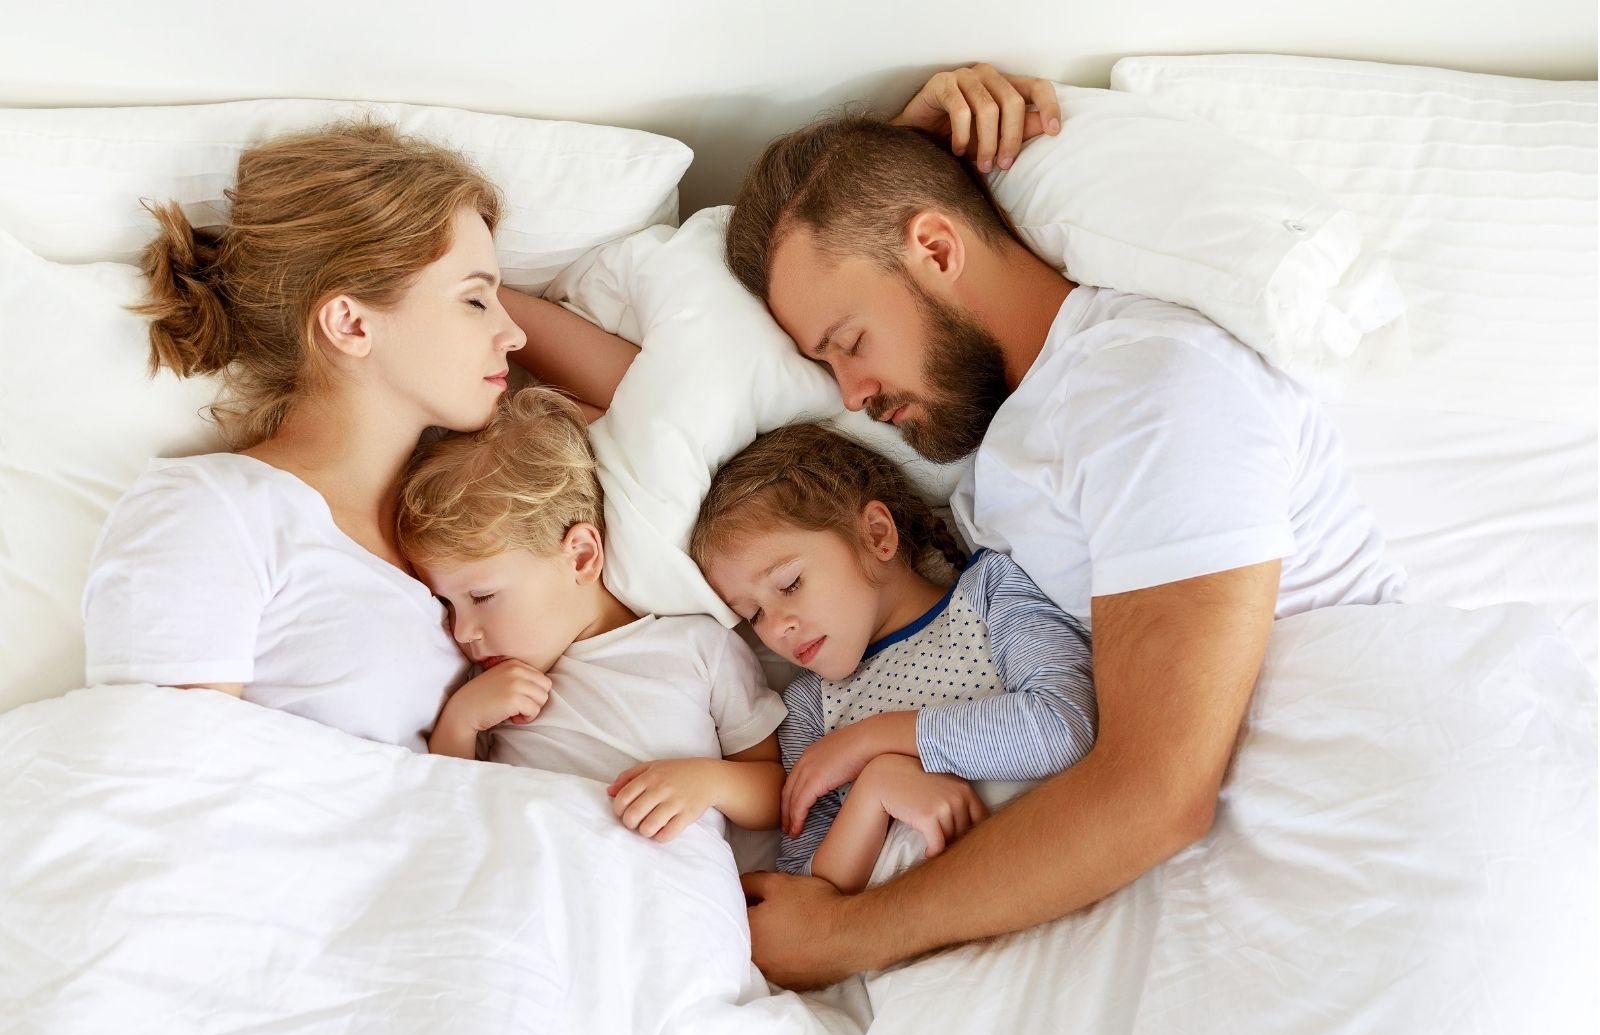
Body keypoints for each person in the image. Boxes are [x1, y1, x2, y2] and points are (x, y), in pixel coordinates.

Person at [723, 64, 1407, 986]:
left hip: (1363, 810)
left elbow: (1156, 795)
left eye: (849, 344)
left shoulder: (1150, 391)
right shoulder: (1023, 424)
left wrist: (850, 934)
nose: (854, 394)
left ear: (936, 248)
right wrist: (885, 153)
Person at [83, 120, 639, 752]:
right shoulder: (213, 509)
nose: (515, 335)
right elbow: (158, 787)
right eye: (476, 302)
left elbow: (641, 400)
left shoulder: (469, 500)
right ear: (349, 323)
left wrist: (460, 283)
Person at [691, 422, 1097, 894]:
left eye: (789, 585)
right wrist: (875, 789)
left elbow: (1067, 726)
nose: (777, 626)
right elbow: (805, 892)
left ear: (877, 534)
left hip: (1054, 867)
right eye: (753, 614)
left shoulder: (990, 594)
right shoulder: (808, 708)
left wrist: (871, 741)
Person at [397, 386, 787, 843]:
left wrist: (709, 781)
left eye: (481, 597)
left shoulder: (697, 646)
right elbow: (453, 810)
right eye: (445, 604)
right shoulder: (486, 695)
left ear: (580, 556)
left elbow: (775, 795)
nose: (463, 632)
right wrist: (459, 723)